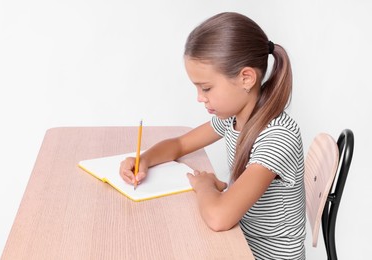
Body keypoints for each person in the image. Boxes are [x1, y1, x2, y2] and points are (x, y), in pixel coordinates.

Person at [120, 12, 306, 260]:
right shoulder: (233, 117)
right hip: (239, 241)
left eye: (206, 88)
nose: (199, 97)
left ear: (246, 78)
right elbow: (180, 143)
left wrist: (205, 186)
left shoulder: (278, 137)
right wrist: (144, 159)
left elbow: (219, 218)